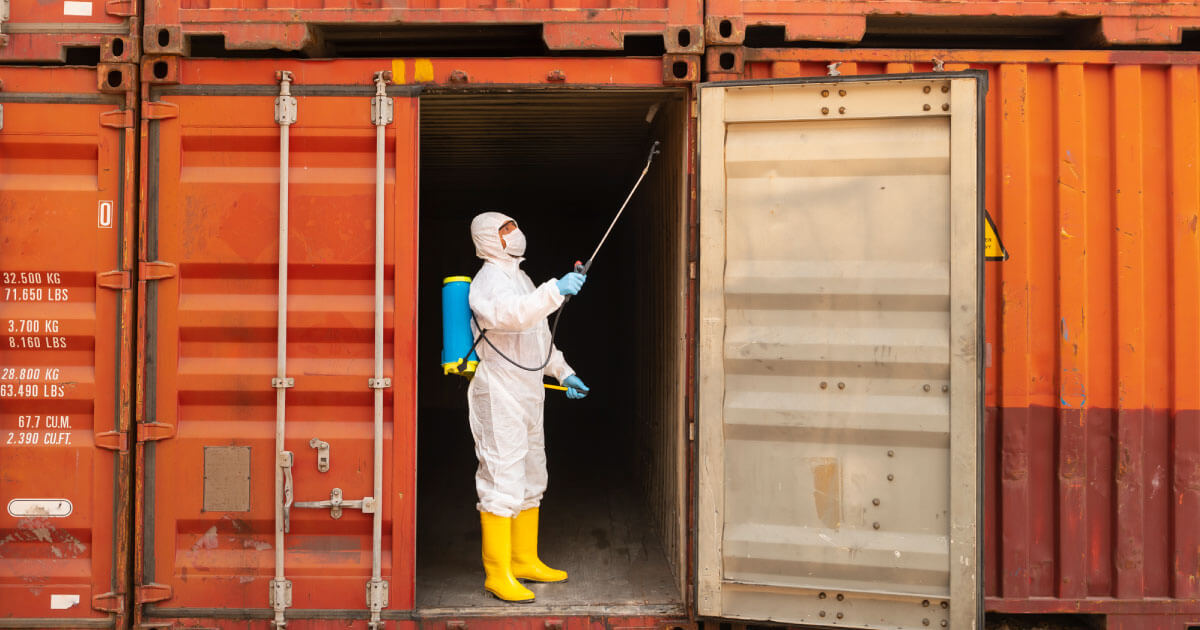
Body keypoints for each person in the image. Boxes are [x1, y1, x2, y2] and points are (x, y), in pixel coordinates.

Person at [467, 211, 590, 603]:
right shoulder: (487, 283)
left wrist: (562, 372)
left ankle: (523, 559)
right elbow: (515, 317)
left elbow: (538, 338)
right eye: (504, 230)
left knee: (533, 475)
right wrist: (556, 290)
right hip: (499, 393)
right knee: (501, 477)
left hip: (528, 392)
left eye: (514, 226)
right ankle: (497, 573)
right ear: (487, 239)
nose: (515, 234)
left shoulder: (519, 277)